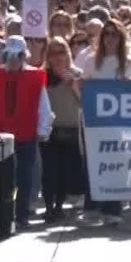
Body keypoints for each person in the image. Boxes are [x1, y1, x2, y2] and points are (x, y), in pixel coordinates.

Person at [0, 36, 53, 232]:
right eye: (9, 55)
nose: (13, 59)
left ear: (24, 56)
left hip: (26, 134)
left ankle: (21, 215)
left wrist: (44, 129)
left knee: (25, 177)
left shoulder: (35, 76)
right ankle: (4, 213)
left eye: (18, 55)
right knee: (3, 178)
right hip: (0, 136)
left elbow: (44, 107)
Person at [41, 38, 85, 223]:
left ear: (68, 53)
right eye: (53, 53)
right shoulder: (42, 75)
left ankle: (60, 205)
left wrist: (73, 86)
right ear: (48, 57)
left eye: (61, 52)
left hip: (71, 129)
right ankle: (50, 207)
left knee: (65, 172)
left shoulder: (78, 74)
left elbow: (84, 103)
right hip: (50, 130)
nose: (58, 57)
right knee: (50, 171)